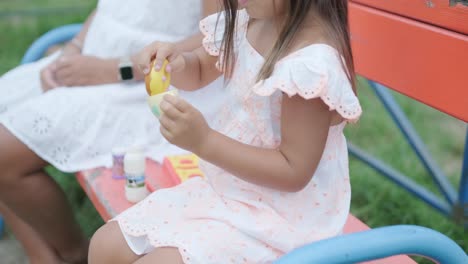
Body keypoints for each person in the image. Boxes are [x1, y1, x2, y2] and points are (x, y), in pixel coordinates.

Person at [89, 0, 363, 263]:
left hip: (283, 223)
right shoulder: (255, 20)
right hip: (228, 193)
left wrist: (204, 141)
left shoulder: (309, 65)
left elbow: (294, 170)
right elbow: (198, 70)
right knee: (105, 246)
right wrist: (175, 65)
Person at [0, 0, 224, 263]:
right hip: (92, 61)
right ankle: (44, 256)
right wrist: (73, 48)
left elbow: (218, 33)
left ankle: (74, 254)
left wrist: (113, 69)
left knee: (4, 151)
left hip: (149, 85)